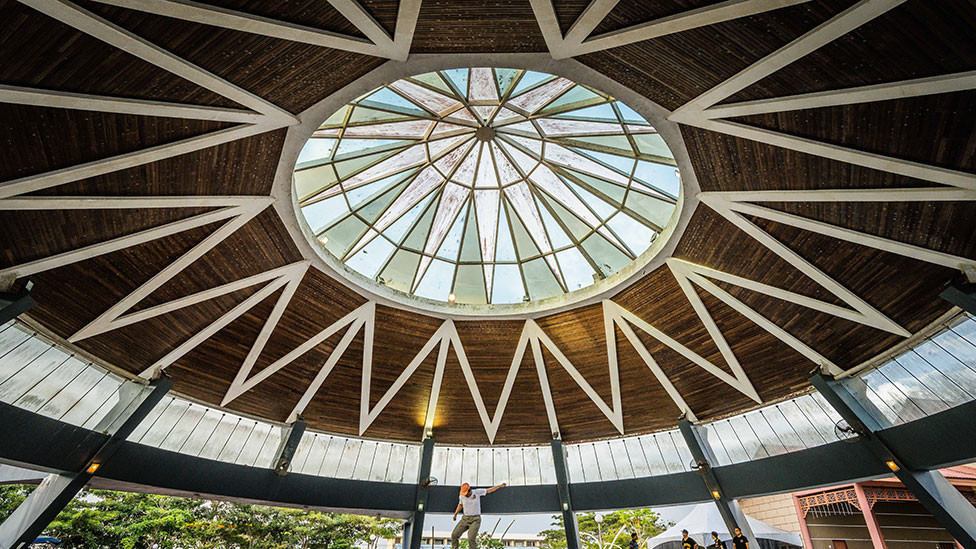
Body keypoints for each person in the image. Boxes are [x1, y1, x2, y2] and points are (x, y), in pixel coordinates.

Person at [451, 481, 506, 549]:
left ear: (469, 490)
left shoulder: (477, 492)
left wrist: (500, 486)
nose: (465, 495)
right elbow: (460, 505)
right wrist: (455, 514)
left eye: (466, 494)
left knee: (470, 538)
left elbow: (489, 490)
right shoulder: (462, 496)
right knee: (454, 535)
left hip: (475, 519)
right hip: (465, 519)